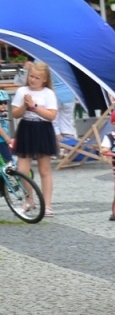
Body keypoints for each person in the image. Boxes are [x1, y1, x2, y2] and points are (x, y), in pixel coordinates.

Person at [9, 61, 58, 215]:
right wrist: (25, 105)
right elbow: (15, 114)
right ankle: (29, 200)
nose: (33, 80)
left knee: (45, 170)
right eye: (31, 76)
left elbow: (51, 115)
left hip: (42, 128)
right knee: (22, 170)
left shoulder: (48, 93)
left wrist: (35, 107)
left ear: (44, 79)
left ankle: (48, 205)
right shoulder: (22, 90)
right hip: (26, 128)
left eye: (37, 78)